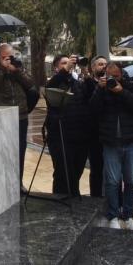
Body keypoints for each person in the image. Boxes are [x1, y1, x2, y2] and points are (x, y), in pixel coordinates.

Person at [89, 61, 133, 229]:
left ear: (122, 75)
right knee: (112, 182)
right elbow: (93, 109)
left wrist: (121, 92)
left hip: (131, 141)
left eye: (117, 76)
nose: (113, 80)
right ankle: (113, 215)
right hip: (111, 142)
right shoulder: (101, 89)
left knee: (131, 180)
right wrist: (100, 88)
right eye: (110, 76)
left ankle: (128, 216)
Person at [0, 43, 35, 190]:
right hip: (2, 116)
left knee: (20, 150)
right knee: (2, 150)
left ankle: (18, 183)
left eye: (10, 56)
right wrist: (1, 69)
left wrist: (16, 71)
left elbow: (30, 83)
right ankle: (2, 183)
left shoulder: (18, 66)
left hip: (21, 115)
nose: (8, 59)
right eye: (4, 57)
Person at [44, 54, 93, 196]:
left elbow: (91, 94)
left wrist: (85, 72)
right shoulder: (54, 83)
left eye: (69, 63)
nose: (68, 65)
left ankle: (74, 198)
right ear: (56, 67)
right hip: (60, 136)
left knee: (77, 171)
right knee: (62, 172)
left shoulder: (77, 83)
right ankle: (60, 201)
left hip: (79, 136)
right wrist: (65, 70)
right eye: (63, 63)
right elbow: (50, 87)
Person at [83, 55, 110, 197]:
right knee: (96, 170)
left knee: (113, 171)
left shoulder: (113, 83)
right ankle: (95, 198)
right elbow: (89, 106)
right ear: (93, 67)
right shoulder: (87, 84)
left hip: (109, 133)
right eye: (100, 64)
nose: (104, 67)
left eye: (105, 64)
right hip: (94, 134)